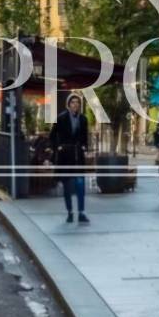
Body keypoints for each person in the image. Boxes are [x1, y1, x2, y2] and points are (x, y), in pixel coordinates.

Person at [51, 93, 91, 224]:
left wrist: (85, 146)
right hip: (65, 156)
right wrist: (58, 147)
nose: (75, 105)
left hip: (78, 155)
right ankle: (70, 212)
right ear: (68, 105)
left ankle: (81, 212)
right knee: (67, 186)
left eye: (77, 102)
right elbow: (52, 135)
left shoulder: (83, 119)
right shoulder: (61, 118)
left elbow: (85, 137)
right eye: (73, 102)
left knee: (80, 184)